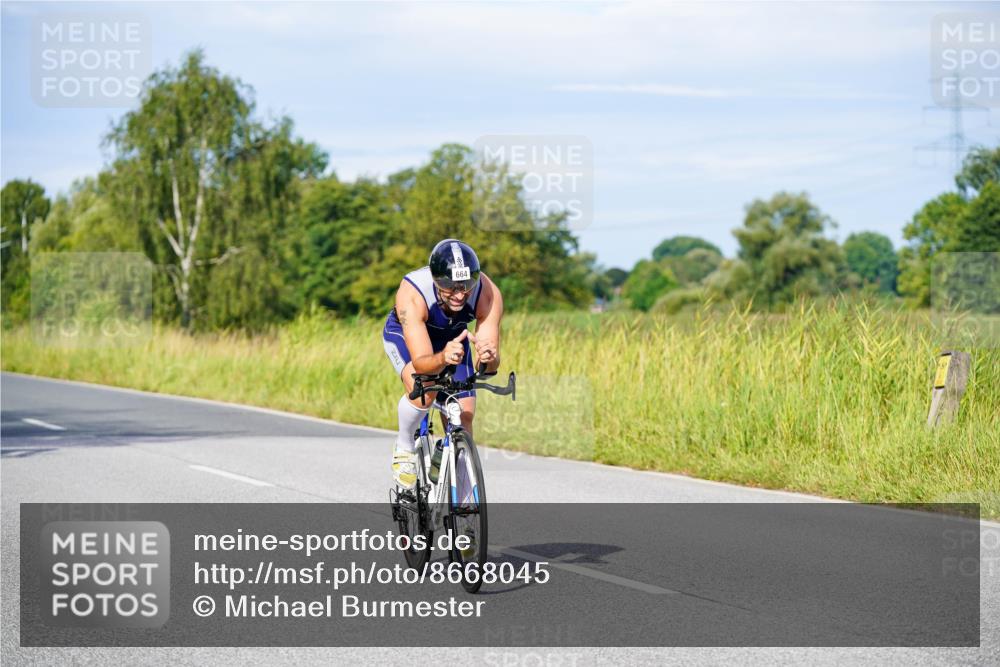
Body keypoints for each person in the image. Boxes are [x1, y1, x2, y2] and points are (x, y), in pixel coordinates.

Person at [381, 239, 504, 489]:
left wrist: (489, 357)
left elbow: (489, 369)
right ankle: (404, 446)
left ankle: (467, 508)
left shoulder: (487, 293)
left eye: (466, 286)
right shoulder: (413, 293)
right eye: (450, 287)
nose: (460, 295)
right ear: (437, 281)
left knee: (464, 415)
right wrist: (441, 358)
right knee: (425, 391)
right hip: (409, 337)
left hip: (453, 338)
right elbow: (423, 364)